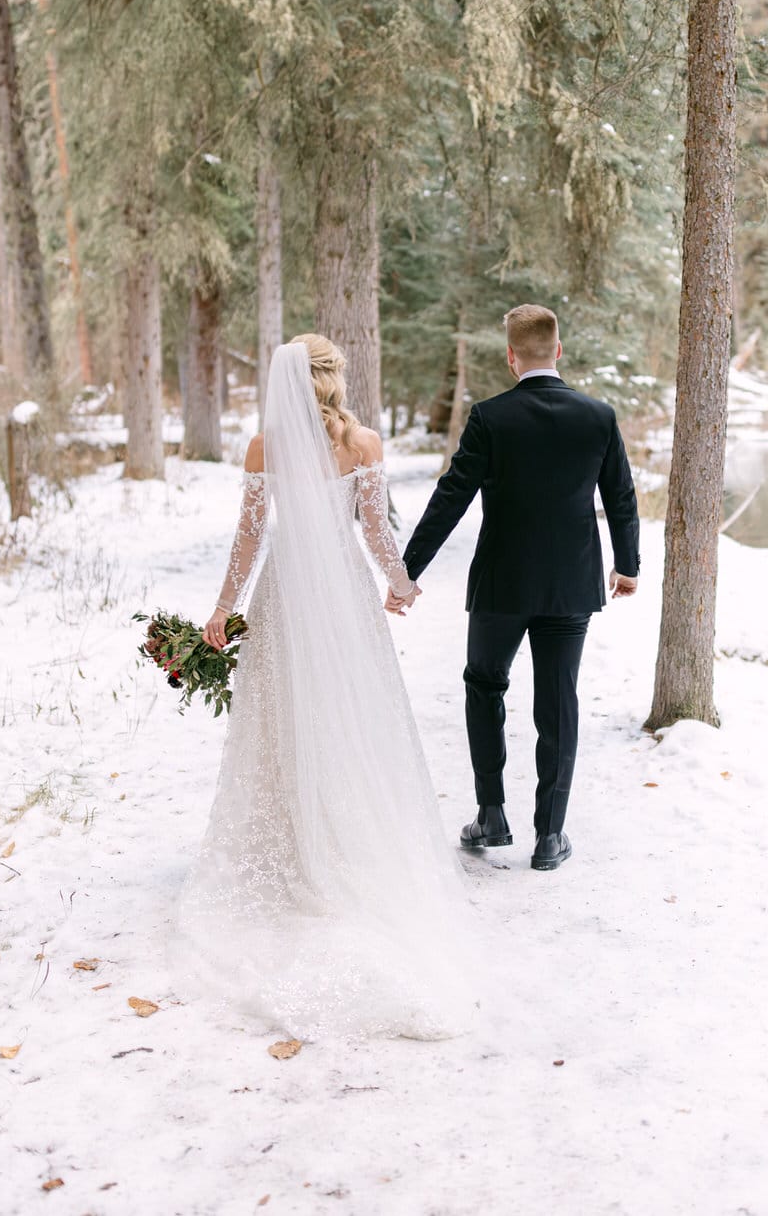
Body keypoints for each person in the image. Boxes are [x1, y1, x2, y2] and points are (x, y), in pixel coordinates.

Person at [178, 336, 472, 1041]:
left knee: (286, 712)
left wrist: (222, 608)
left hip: (287, 591)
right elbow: (376, 534)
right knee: (349, 713)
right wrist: (400, 586)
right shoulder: (363, 442)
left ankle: (299, 832)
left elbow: (248, 541)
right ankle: (342, 830)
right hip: (340, 589)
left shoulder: (263, 449)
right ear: (335, 380)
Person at [393, 304, 640, 872]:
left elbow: (450, 497)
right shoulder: (598, 416)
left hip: (502, 584)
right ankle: (550, 836)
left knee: (484, 685)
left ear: (511, 358)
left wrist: (408, 573)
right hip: (570, 587)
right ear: (558, 350)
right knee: (559, 703)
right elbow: (621, 497)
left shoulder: (489, 418)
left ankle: (492, 813)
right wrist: (626, 566)